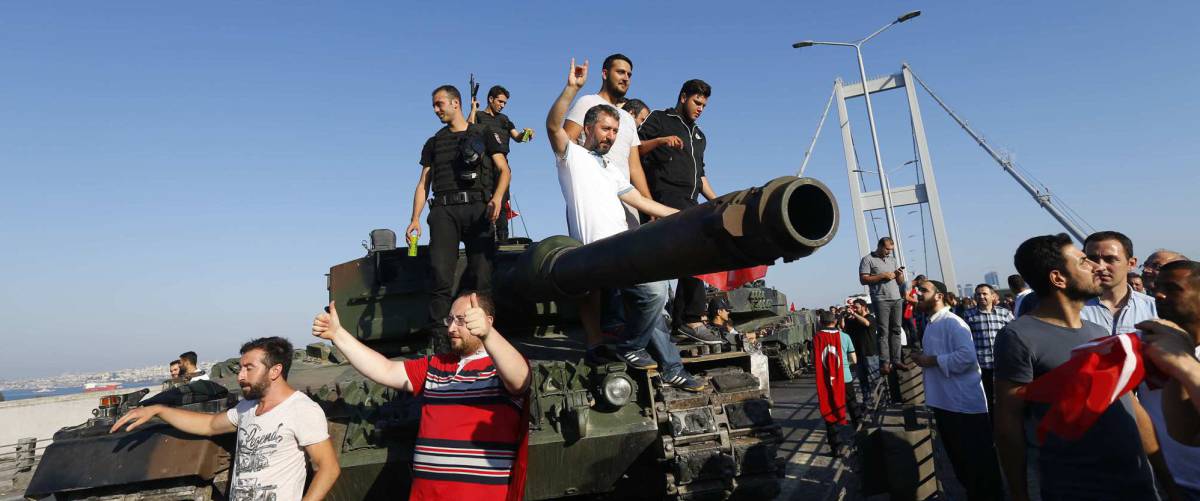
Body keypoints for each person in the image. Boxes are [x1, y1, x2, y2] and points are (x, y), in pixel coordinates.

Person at [547, 59, 704, 391]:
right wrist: (571, 89)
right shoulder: (570, 159)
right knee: (652, 293)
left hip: (623, 245)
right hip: (595, 251)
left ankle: (655, 358)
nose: (611, 136)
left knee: (655, 295)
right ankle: (640, 350)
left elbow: (641, 201)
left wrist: (683, 216)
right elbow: (552, 126)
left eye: (615, 132)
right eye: (606, 129)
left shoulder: (611, 169)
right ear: (588, 128)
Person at [313, 293, 527, 500]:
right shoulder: (436, 365)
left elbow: (520, 379)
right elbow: (385, 369)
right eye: (450, 319)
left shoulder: (501, 368)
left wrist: (488, 334)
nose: (451, 328)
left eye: (462, 320)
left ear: (487, 321)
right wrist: (337, 334)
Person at [994, 234, 1157, 501]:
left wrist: (1163, 475)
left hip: (1135, 483)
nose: (1097, 267)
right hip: (1075, 488)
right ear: (1058, 278)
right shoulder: (1018, 337)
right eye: (1084, 262)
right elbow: (1008, 425)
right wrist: (1019, 494)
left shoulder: (1099, 331)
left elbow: (1130, 407)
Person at [113, 338, 340, 501]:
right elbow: (210, 424)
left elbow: (327, 468)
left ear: (275, 371)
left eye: (249, 368)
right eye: (241, 368)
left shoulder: (301, 409)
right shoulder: (248, 407)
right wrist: (159, 410)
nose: (240, 376)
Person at [407, 85, 512, 342]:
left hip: (479, 210)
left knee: (483, 277)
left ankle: (485, 337)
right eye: (434, 105)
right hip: (444, 211)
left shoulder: (484, 133)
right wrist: (415, 219)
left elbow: (504, 170)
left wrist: (497, 198)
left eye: (439, 103)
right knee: (441, 277)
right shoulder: (434, 142)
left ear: (456, 103)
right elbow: (423, 183)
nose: (435, 109)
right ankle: (441, 341)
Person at [637, 79, 723, 345]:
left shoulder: (699, 136)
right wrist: (661, 140)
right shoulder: (660, 119)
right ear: (683, 96)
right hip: (665, 195)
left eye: (704, 105)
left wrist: (719, 202)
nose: (701, 108)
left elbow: (702, 175)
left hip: (691, 199)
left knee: (702, 251)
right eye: (697, 102)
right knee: (698, 244)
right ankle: (691, 319)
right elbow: (635, 150)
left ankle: (683, 320)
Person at [909, 280, 1002, 501]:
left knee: (978, 468)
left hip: (962, 406)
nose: (918, 294)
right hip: (945, 403)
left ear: (939, 296)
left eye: (924, 290)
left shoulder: (952, 322)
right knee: (962, 465)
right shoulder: (932, 323)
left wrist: (930, 360)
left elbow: (967, 358)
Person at [563, 53, 651, 230]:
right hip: (594, 202)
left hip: (628, 203)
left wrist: (648, 205)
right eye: (620, 72)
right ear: (604, 74)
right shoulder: (586, 102)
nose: (625, 78)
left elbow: (634, 167)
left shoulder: (627, 118)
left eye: (629, 74)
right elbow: (566, 144)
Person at [1136, 260, 1200, 497]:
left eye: (1173, 289)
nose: (1159, 295)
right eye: (1155, 289)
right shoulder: (1143, 345)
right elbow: (1186, 433)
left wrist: (1183, 363)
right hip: (1176, 483)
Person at [468, 85, 534, 242]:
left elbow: (518, 137)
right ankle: (484, 237)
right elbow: (468, 128)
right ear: (491, 99)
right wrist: (472, 109)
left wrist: (527, 135)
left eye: (505, 103)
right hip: (483, 164)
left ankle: (503, 238)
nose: (502, 105)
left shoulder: (504, 120)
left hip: (502, 165)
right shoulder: (478, 116)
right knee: (483, 199)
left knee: (503, 200)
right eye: (500, 101)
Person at [1081, 231, 1157, 335]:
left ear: (1131, 263)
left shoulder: (1154, 309)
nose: (1100, 266)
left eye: (1110, 259)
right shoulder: (1071, 310)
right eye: (1092, 259)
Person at [859, 237, 910, 374]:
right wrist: (882, 276)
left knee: (896, 330)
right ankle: (885, 362)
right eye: (887, 249)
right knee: (883, 332)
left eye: (891, 250)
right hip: (881, 299)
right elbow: (863, 279)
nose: (889, 252)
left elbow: (900, 282)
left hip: (896, 298)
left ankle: (897, 360)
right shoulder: (867, 259)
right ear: (880, 246)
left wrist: (898, 274)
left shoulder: (892, 260)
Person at [962, 283, 1013, 416]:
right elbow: (963, 340)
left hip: (1003, 365)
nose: (981, 296)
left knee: (1007, 400)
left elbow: (1015, 335)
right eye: (978, 294)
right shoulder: (968, 315)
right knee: (986, 401)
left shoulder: (1004, 313)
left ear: (993, 296)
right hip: (981, 367)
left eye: (985, 293)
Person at [814, 310, 859, 456]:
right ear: (836, 321)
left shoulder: (817, 338)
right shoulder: (844, 336)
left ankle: (836, 447)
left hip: (827, 381)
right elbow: (854, 359)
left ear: (821, 323)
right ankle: (861, 437)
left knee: (830, 411)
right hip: (845, 378)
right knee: (853, 408)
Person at [842, 299, 877, 406]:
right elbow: (844, 327)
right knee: (863, 380)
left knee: (875, 379)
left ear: (864, 307)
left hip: (870, 353)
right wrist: (843, 316)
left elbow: (866, 323)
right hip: (859, 355)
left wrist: (854, 315)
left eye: (856, 307)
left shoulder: (870, 317)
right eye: (854, 307)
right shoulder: (854, 320)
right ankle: (866, 401)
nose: (855, 309)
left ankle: (881, 400)